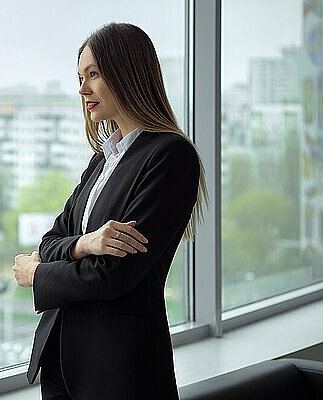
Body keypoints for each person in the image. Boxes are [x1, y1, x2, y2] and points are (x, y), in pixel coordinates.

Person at [12, 22, 208, 399]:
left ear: (127, 73)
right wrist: (85, 244)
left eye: (94, 74)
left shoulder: (169, 156)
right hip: (60, 363)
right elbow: (52, 239)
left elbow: (114, 275)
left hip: (118, 372)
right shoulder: (103, 157)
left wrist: (38, 274)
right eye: (79, 77)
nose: (82, 89)